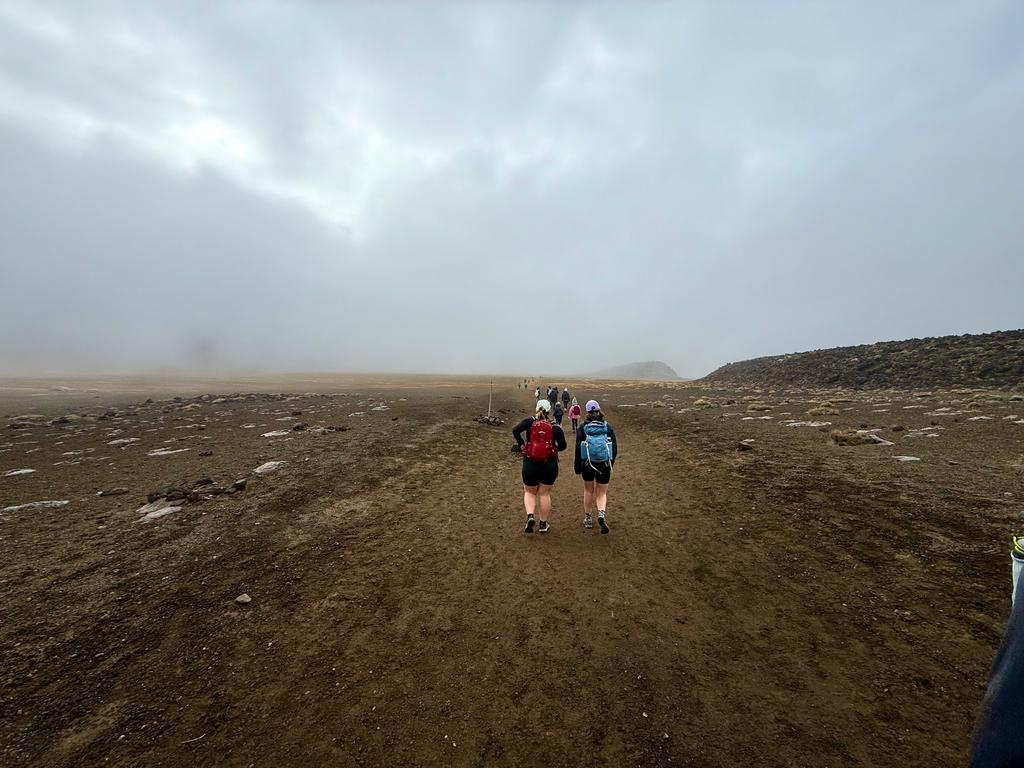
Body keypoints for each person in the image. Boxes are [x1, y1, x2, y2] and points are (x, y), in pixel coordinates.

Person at [512, 400, 567, 534]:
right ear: (549, 411)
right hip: (549, 464)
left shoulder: (529, 422)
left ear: (536, 409)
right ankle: (543, 523)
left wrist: (522, 445)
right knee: (544, 494)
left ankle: (530, 516)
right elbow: (563, 445)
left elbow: (515, 430)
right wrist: (553, 450)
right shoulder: (554, 426)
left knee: (529, 492)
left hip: (530, 463)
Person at [574, 399, 617, 534]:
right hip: (604, 463)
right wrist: (610, 464)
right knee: (601, 493)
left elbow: (578, 449)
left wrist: (578, 467)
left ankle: (587, 518)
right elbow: (614, 448)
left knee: (588, 491)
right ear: (599, 410)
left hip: (587, 463)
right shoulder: (607, 426)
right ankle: (601, 514)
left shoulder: (583, 427)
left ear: (587, 412)